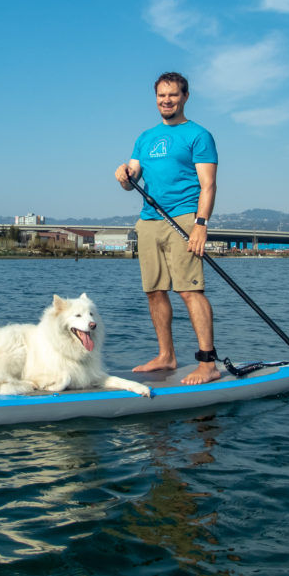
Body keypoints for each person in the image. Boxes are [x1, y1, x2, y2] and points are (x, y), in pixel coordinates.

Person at [115, 72, 219, 385]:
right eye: (161, 96)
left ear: (185, 96)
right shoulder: (145, 137)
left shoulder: (198, 135)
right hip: (149, 221)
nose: (166, 101)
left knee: (189, 290)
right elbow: (131, 178)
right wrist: (123, 174)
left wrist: (201, 225)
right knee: (154, 291)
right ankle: (166, 356)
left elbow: (209, 184)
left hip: (184, 218)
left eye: (172, 95)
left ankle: (207, 362)